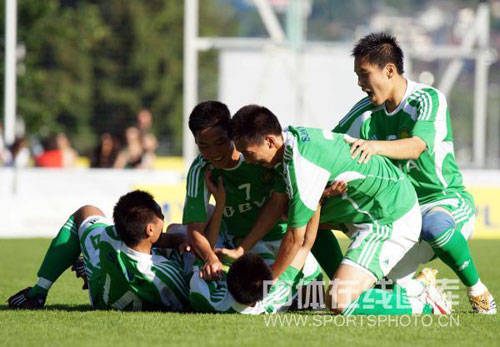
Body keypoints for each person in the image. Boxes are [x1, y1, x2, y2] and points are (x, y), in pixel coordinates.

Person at [229, 104, 450, 315]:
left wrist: (268, 285)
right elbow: (282, 211)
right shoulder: (289, 143)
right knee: (295, 216)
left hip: (389, 216)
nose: (246, 161)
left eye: (247, 153)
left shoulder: (303, 163)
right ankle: (414, 288)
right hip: (369, 213)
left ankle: (426, 303)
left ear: (269, 141)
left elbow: (296, 239)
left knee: (338, 301)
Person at [333, 32, 496, 314]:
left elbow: (417, 146)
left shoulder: (427, 99)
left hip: (443, 202)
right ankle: (420, 292)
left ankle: (478, 292)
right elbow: (333, 142)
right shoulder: (365, 110)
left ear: (390, 70)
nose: (360, 84)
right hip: (398, 213)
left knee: (434, 227)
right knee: (324, 220)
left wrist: (373, 146)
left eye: (364, 74)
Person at [8, 190, 191, 311]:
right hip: (119, 296)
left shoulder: (109, 236)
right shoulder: (165, 273)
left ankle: (38, 292)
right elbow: (187, 300)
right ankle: (87, 265)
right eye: (160, 217)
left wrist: (174, 239)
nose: (163, 219)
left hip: (102, 290)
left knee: (86, 211)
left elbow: (150, 238)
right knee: (178, 229)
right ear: (150, 229)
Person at [183, 101, 291, 280]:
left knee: (311, 295)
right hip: (236, 244)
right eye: (203, 146)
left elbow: (281, 203)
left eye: (220, 142)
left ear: (231, 134)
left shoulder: (259, 154)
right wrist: (211, 259)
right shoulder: (201, 169)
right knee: (200, 279)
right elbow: (195, 230)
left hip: (281, 236)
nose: (214, 152)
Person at [189, 204, 324, 314]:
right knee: (313, 281)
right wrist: (315, 201)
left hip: (222, 243)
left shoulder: (205, 295)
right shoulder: (276, 296)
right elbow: (305, 245)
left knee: (203, 216)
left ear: (228, 271)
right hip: (293, 284)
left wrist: (220, 206)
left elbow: (203, 252)